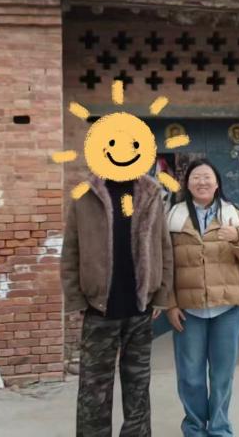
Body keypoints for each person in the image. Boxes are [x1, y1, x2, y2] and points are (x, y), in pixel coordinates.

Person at [60, 173, 173, 437]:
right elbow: (70, 251)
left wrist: (161, 295)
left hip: (140, 309)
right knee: (94, 389)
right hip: (99, 309)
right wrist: (76, 299)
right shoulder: (85, 194)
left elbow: (164, 247)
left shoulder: (151, 193)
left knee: (138, 387)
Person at [166, 159, 239, 437]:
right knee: (190, 375)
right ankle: (195, 428)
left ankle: (220, 428)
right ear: (187, 184)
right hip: (188, 311)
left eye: (207, 177)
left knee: (222, 375)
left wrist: (238, 237)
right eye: (196, 177)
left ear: (217, 183)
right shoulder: (173, 218)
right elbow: (163, 264)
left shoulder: (233, 215)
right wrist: (170, 303)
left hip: (227, 308)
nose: (202, 182)